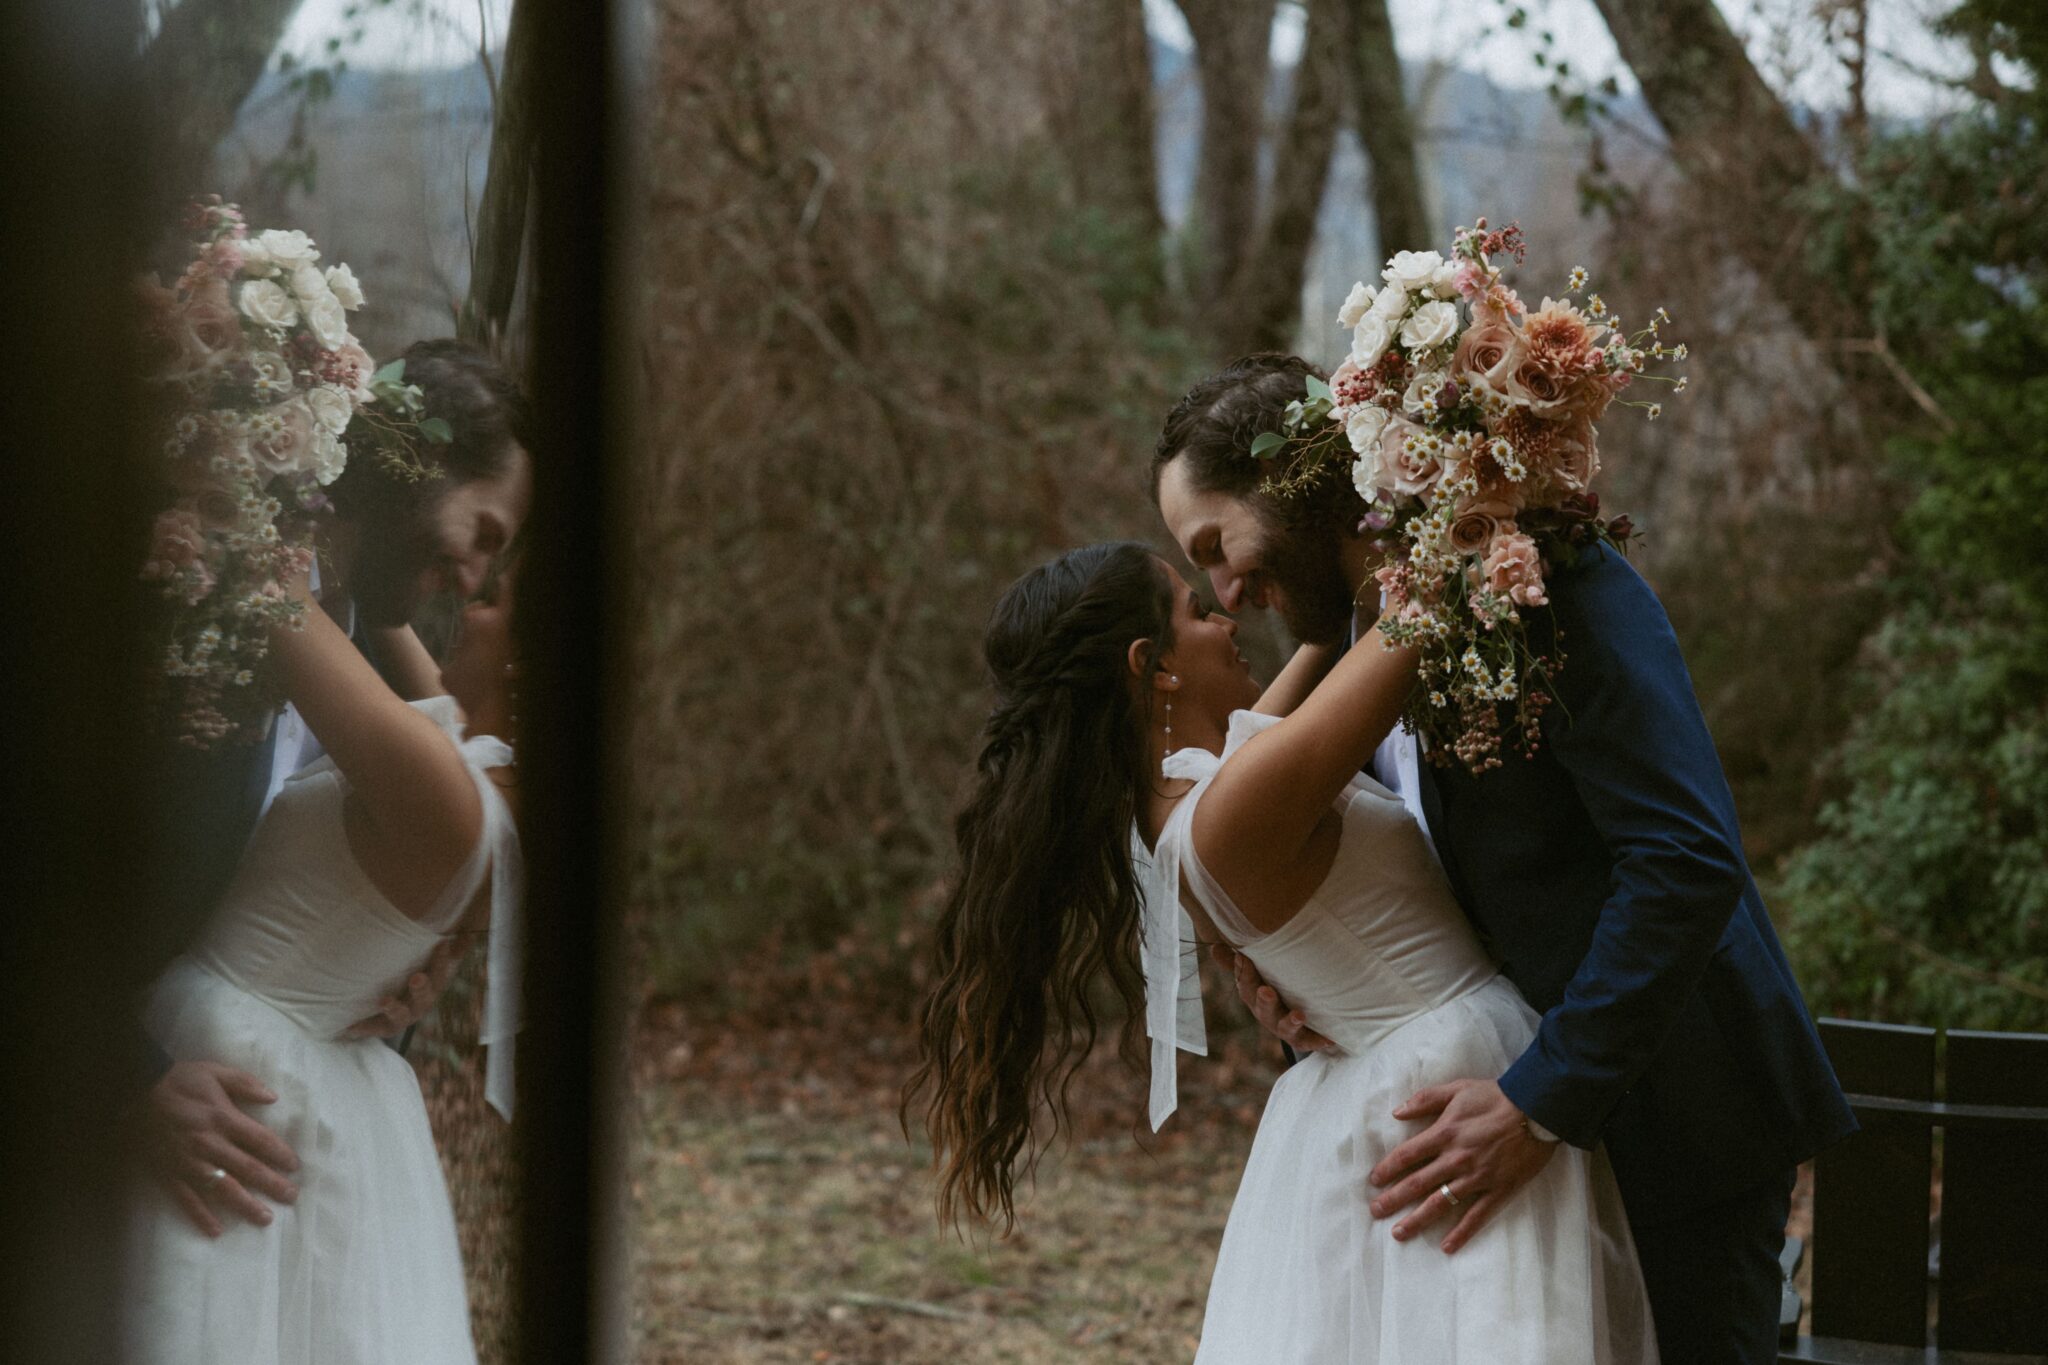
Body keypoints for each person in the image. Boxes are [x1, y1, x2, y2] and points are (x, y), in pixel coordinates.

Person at [1150, 354, 1855, 1362]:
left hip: (1668, 1122)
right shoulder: (1350, 660)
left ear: (1290, 481)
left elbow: (1683, 858)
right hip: (1492, 1154)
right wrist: (1309, 995)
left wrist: (1540, 1101)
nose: (1226, 592)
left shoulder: (1541, 571)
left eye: (1217, 546)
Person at [911, 541, 1656, 1362]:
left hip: (1368, 1091)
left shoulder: (1177, 813)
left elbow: (1328, 641)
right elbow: (1422, 607)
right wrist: (1461, 487)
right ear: (1154, 666)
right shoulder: (1237, 805)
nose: (1228, 619)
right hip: (1447, 1077)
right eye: (1199, 610)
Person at [135, 338, 532, 1238]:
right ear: (418, 461)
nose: (474, 583)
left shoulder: (365, 686)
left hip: (242, 1148)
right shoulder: (185, 576)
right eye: (484, 534)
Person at [125, 554, 524, 1365]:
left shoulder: (439, 787)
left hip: (235, 1069)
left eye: (490, 598)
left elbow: (266, 577)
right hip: (333, 1085)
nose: (464, 595)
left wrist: (288, 478)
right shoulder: (485, 774)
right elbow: (388, 625)